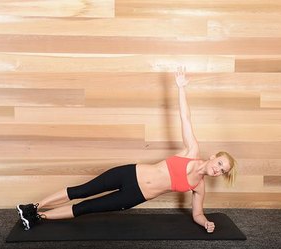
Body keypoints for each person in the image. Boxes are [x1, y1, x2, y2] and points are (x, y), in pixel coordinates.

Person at [16, 66, 237, 233]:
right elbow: (185, 118)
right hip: (130, 173)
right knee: (80, 191)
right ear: (213, 157)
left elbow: (197, 213)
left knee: (86, 207)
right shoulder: (192, 151)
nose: (218, 170)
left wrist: (206, 222)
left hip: (134, 195)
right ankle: (34, 206)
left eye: (223, 170)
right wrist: (181, 88)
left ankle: (39, 217)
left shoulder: (199, 187)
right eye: (220, 163)